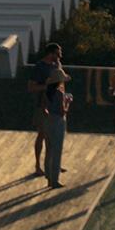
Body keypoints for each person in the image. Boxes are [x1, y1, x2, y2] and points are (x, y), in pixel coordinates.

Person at [29, 42, 69, 184]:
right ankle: (38, 165)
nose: (60, 56)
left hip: (55, 105)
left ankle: (53, 167)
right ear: (50, 53)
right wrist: (48, 87)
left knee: (52, 141)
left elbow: (61, 84)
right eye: (58, 54)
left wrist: (62, 97)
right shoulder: (40, 67)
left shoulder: (56, 66)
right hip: (42, 106)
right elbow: (31, 87)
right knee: (43, 135)